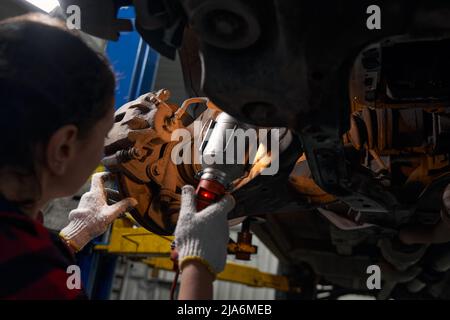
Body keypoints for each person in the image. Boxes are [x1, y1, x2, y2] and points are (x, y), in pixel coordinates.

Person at [0, 13, 234, 300]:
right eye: (102, 134)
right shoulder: (39, 280)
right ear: (63, 148)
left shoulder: (24, 256)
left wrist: (71, 239)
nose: (103, 152)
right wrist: (197, 268)